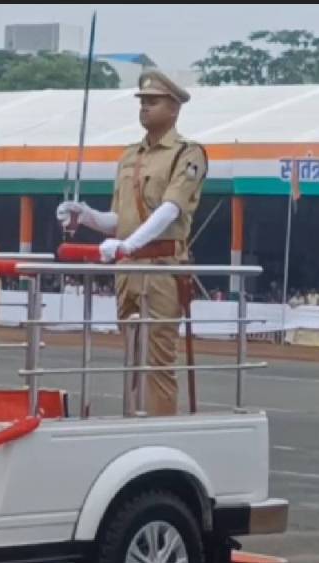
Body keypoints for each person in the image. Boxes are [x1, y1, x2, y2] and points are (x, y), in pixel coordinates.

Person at [57, 69, 207, 416]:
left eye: (153, 102)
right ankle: (134, 423)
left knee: (158, 361)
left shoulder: (187, 154)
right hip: (129, 268)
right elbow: (120, 219)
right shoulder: (129, 156)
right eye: (142, 102)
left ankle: (159, 430)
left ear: (174, 108)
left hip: (160, 267)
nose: (144, 108)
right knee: (133, 358)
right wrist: (86, 216)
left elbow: (170, 210)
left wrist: (128, 246)